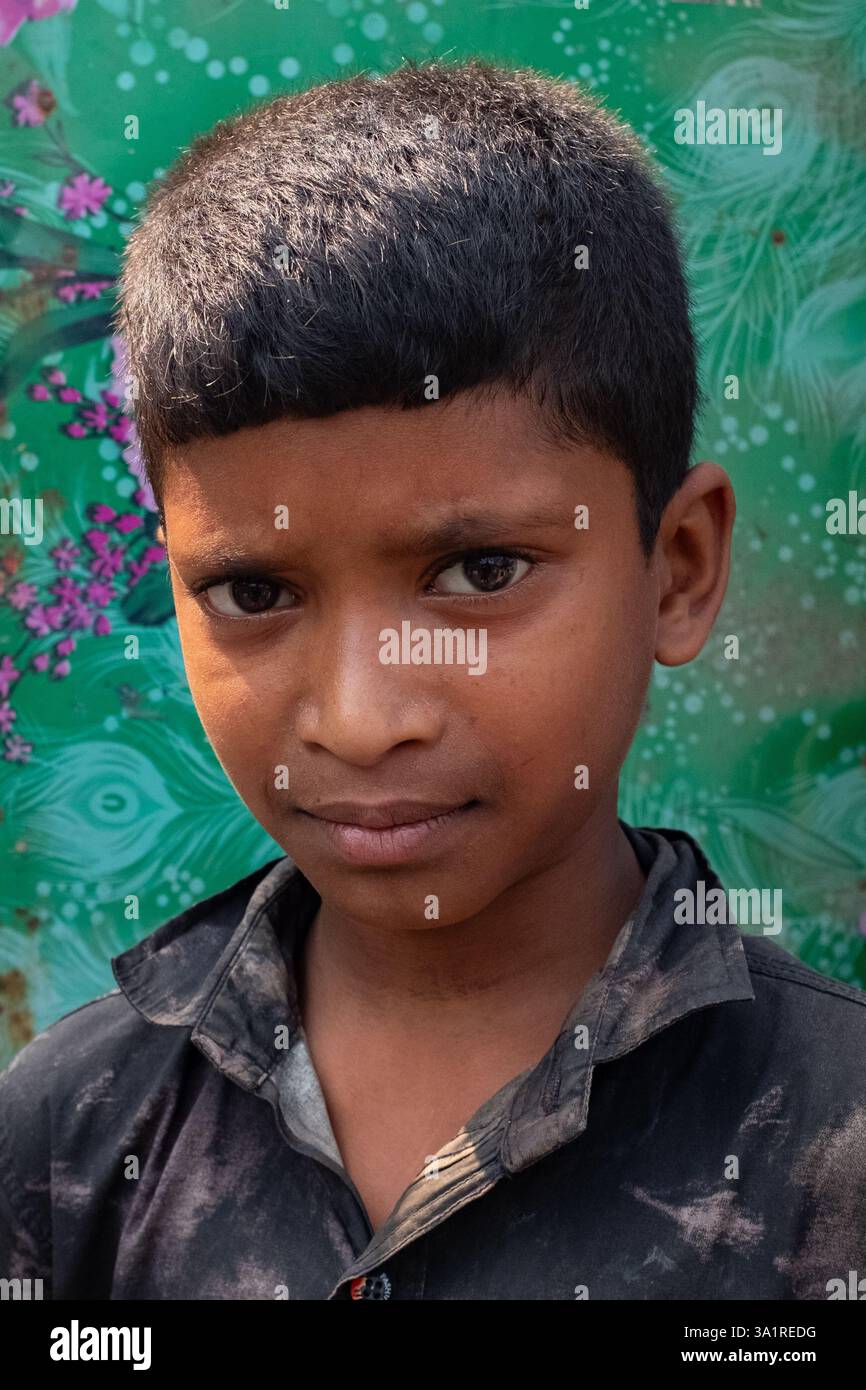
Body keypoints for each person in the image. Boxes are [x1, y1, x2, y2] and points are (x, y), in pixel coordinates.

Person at [1, 58, 864, 1301]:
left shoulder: (832, 1151)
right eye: (253, 592)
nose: (361, 719)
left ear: (675, 569)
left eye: (478, 571)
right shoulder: (68, 1138)